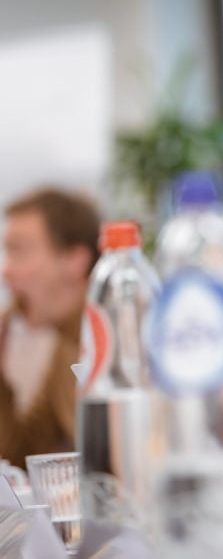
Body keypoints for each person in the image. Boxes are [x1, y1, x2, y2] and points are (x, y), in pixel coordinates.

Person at [0, 187, 100, 467]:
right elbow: (24, 462)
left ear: (74, 261)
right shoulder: (58, 343)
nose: (6, 271)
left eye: (19, 251)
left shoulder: (111, 340)